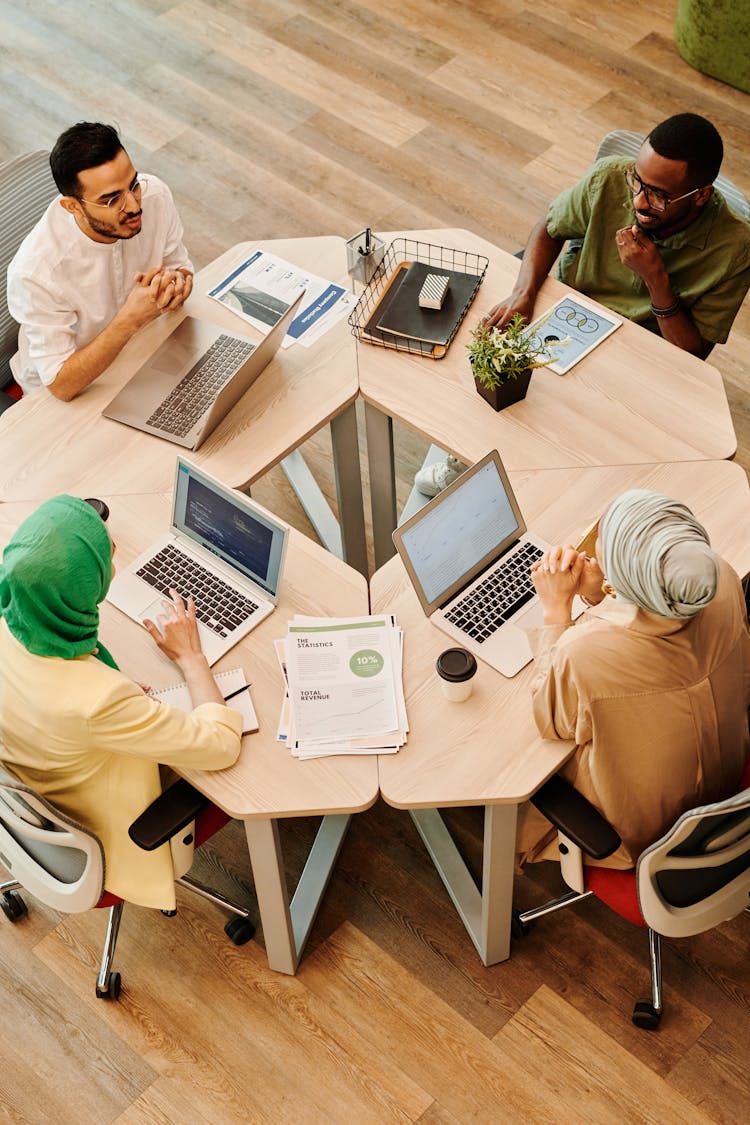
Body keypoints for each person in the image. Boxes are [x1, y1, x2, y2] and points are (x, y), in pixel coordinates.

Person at [0, 495, 242, 910]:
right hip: (115, 828)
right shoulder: (98, 701)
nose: (113, 567)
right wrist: (190, 657)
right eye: (106, 559)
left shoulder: (14, 620)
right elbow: (221, 745)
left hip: (39, 789)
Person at [516, 489, 750, 869]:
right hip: (730, 783)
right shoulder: (719, 577)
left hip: (647, 833)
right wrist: (604, 592)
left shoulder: (585, 653)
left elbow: (551, 719)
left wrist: (556, 609)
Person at [486, 113, 750, 359]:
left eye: (659, 195)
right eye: (637, 180)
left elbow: (693, 354)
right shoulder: (608, 177)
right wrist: (523, 293)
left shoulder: (737, 249)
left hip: (643, 352)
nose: (638, 202)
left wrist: (655, 278)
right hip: (570, 312)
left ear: (701, 195)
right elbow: (550, 227)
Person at [7, 122, 194, 401]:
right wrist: (130, 319)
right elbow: (61, 384)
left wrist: (176, 284)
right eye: (111, 200)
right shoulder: (37, 272)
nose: (133, 205)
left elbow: (180, 266)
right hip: (71, 389)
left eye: (132, 185)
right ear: (72, 207)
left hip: (143, 350)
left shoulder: (154, 195)